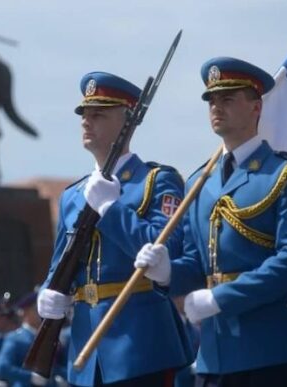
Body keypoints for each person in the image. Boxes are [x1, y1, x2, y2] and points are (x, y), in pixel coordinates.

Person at [135, 57, 287, 387]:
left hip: (274, 349)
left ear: (256, 106)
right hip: (217, 353)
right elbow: (199, 261)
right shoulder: (200, 182)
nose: (216, 107)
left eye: (228, 98)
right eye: (212, 100)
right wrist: (168, 272)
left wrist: (219, 299)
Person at [36, 71, 193, 386]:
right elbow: (60, 268)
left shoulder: (156, 181)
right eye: (84, 114)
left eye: (98, 114)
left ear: (127, 122)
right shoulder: (72, 196)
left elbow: (165, 249)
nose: (86, 121)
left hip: (140, 347)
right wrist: (48, 294)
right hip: (86, 353)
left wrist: (110, 209)